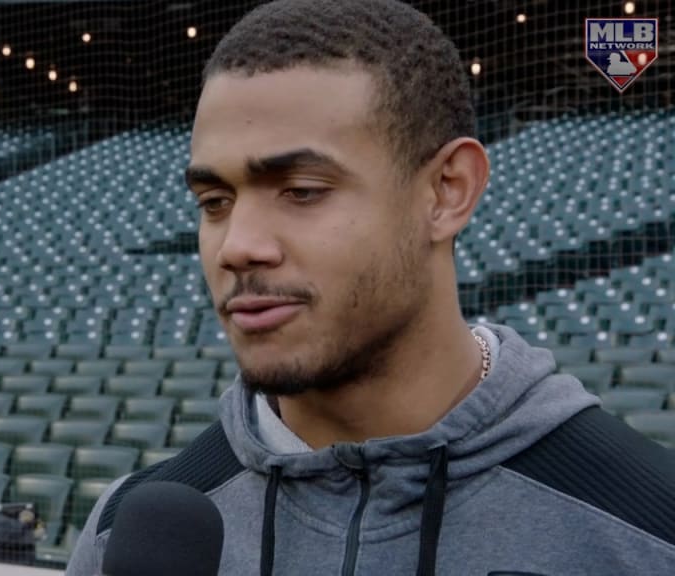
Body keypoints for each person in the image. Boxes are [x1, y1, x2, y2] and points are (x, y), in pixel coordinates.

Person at [66, 0, 675, 574]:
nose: (237, 246)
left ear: (447, 191)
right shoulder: (125, 534)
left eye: (302, 190)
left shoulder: (648, 529)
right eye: (214, 200)